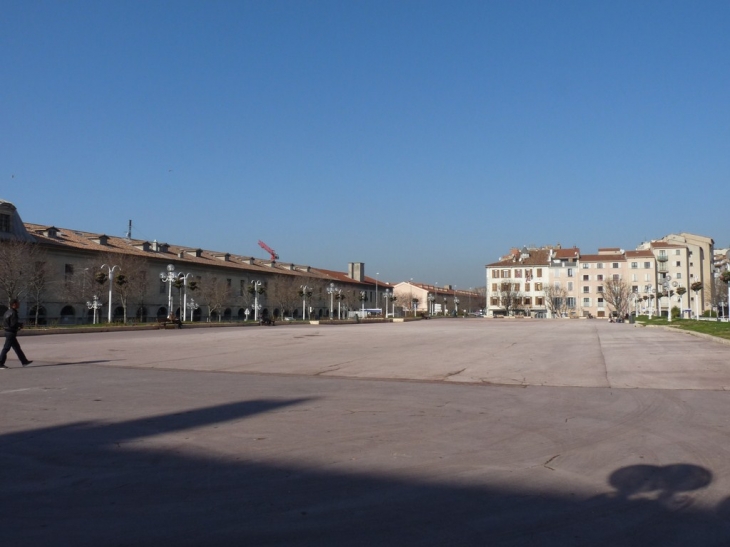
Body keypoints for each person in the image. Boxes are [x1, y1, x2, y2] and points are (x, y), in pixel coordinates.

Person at [0, 300, 32, 368]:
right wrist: (20, 325)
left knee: (17, 348)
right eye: (18, 303)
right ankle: (0, 363)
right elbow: (13, 324)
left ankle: (24, 361)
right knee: (6, 348)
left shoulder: (7, 312)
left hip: (8, 332)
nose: (19, 305)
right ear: (14, 304)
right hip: (11, 333)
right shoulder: (13, 313)